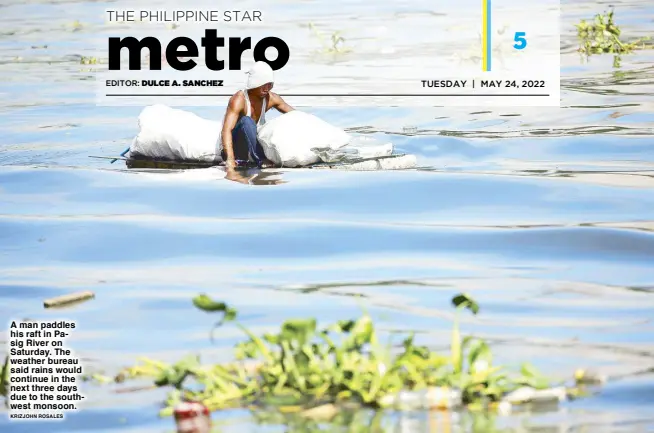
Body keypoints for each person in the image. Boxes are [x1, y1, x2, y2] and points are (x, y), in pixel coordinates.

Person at [220, 61, 295, 169]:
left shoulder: (271, 98)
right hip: (236, 147)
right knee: (247, 121)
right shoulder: (239, 99)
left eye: (270, 84)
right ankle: (261, 159)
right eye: (263, 84)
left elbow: (295, 115)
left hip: (254, 146)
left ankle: (259, 156)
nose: (267, 88)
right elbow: (226, 130)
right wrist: (230, 159)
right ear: (254, 84)